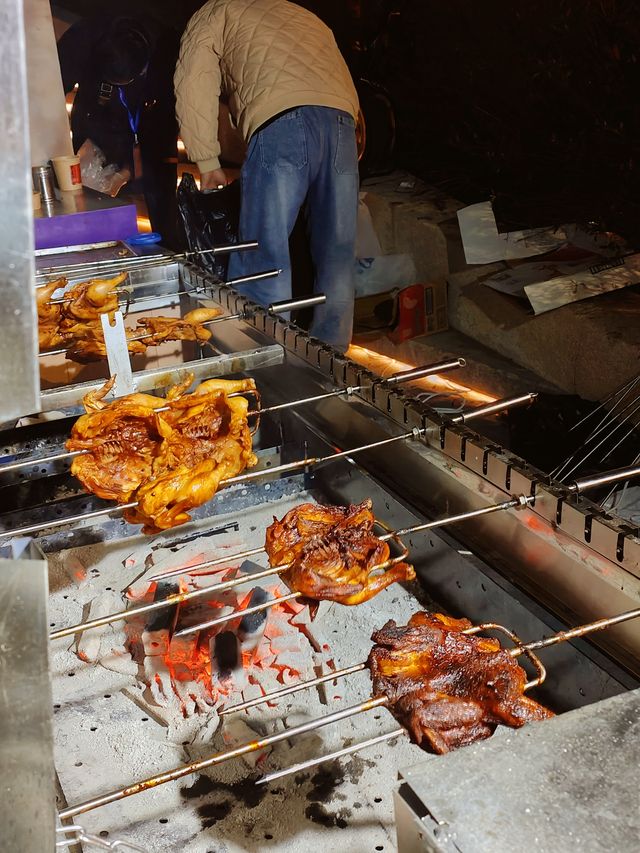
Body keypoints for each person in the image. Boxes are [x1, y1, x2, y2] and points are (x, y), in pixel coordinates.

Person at [174, 0, 360, 352]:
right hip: (341, 121)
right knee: (337, 250)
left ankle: (260, 358)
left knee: (264, 251)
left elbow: (194, 80)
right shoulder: (302, 13)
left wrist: (206, 159)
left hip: (282, 119)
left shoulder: (218, 11)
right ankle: (334, 362)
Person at [57, 15, 181, 248]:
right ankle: (87, 249)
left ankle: (169, 254)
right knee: (87, 201)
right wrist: (67, 145)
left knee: (162, 204)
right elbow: (50, 89)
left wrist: (127, 170)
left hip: (151, 126)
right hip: (97, 121)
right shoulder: (84, 37)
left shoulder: (168, 50)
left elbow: (164, 122)